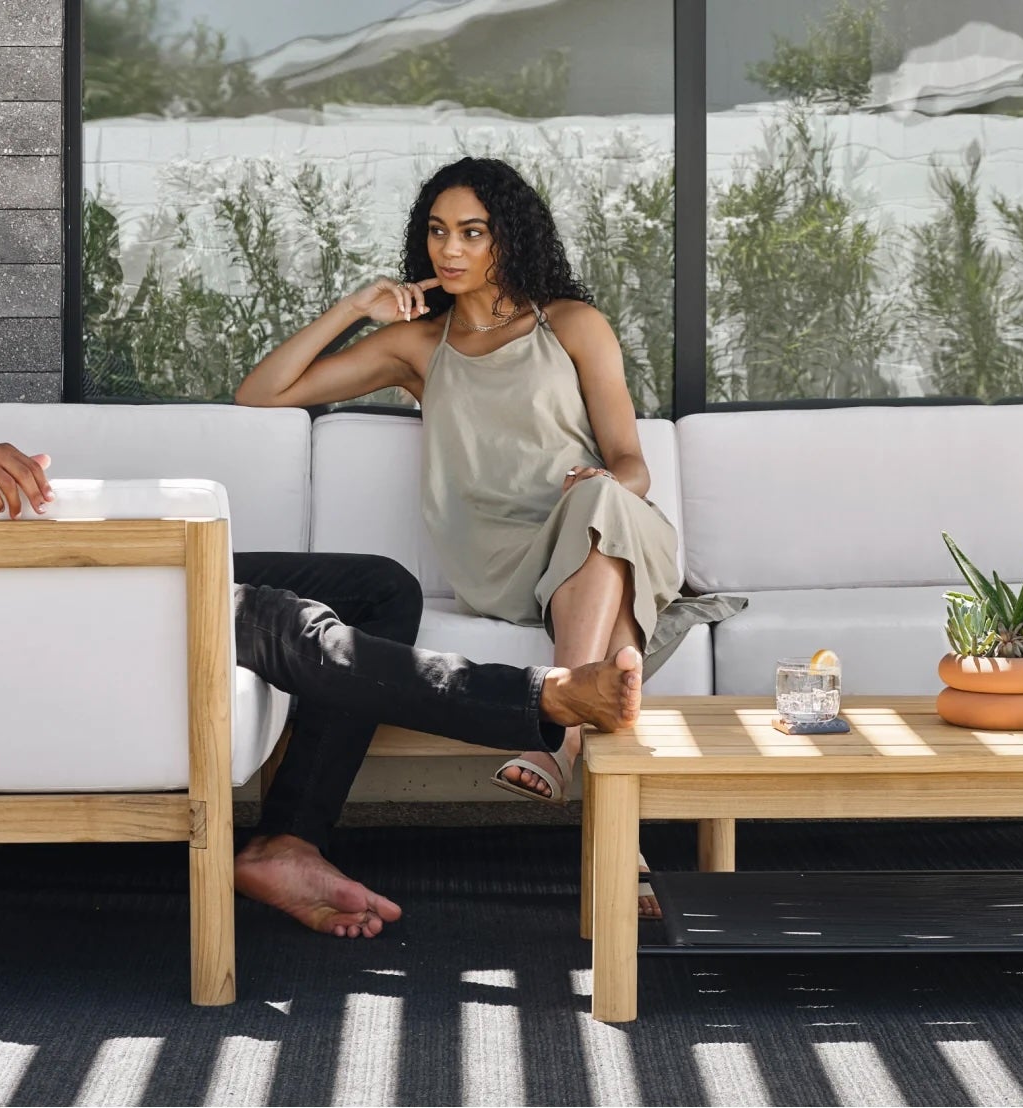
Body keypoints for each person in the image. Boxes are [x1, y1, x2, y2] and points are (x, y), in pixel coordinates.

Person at [0, 134, 644, 941]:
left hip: (65, 573)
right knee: (277, 619)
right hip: (39, 594)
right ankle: (545, 699)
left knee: (377, 587)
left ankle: (289, 842)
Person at [235, 157, 735, 813]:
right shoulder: (417, 346)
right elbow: (259, 395)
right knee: (615, 631)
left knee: (599, 502)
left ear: (511, 237)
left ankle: (557, 738)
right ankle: (613, 816)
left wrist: (602, 482)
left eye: (472, 232)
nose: (449, 248)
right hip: (498, 558)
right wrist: (355, 308)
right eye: (438, 232)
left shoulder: (572, 325)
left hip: (594, 523)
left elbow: (632, 465)